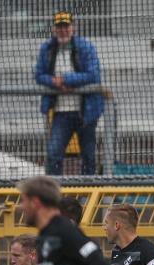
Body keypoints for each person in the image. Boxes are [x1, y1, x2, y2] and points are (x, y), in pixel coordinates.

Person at [35, 11, 104, 176]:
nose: (63, 30)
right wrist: (53, 82)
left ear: (73, 27)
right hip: (61, 113)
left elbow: (94, 75)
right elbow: (39, 75)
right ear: (54, 29)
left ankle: (86, 193)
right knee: (53, 153)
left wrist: (66, 79)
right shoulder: (48, 48)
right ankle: (55, 193)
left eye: (66, 26)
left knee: (88, 156)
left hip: (86, 112)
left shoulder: (85, 47)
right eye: (59, 27)